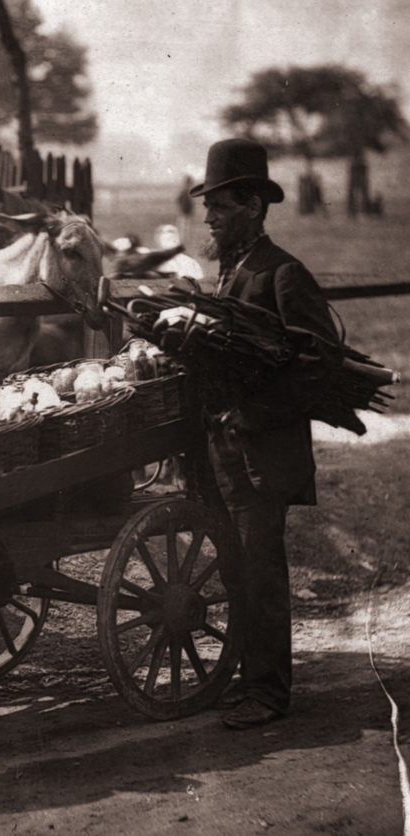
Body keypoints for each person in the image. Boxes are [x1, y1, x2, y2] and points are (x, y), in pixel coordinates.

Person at [189, 138, 343, 730]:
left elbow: (319, 363)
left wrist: (252, 415)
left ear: (252, 206)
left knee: (261, 573)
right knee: (238, 571)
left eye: (221, 207)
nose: (209, 217)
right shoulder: (233, 272)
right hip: (226, 452)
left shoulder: (283, 274)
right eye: (209, 207)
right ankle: (254, 681)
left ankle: (270, 693)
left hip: (260, 451)